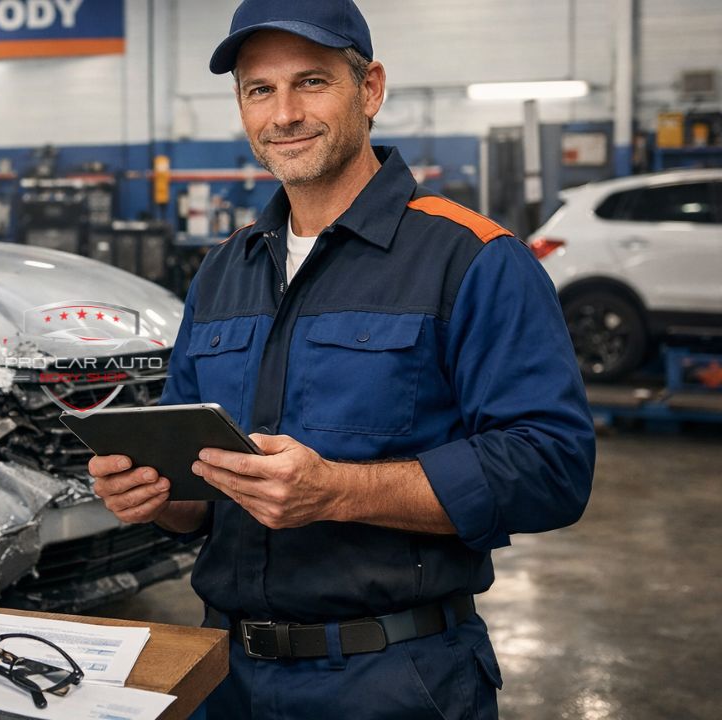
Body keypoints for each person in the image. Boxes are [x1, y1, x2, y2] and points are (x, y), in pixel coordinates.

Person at [88, 1, 596, 717]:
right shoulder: (223, 270)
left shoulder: (474, 258)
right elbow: (199, 501)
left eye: (312, 82)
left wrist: (339, 491)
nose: (285, 112)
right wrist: (158, 498)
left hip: (394, 680)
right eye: (259, 90)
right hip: (224, 677)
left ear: (371, 89)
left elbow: (554, 467)